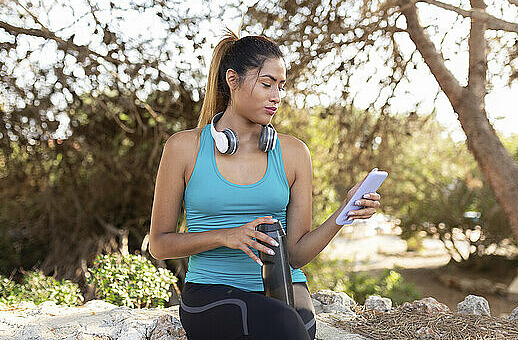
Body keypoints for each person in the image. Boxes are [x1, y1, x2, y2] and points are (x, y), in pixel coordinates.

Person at [148, 27, 381, 340]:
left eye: (281, 86)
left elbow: (296, 254)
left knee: (293, 323)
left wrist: (345, 212)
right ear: (233, 80)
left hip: (284, 285)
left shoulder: (294, 153)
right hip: (212, 291)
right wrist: (225, 236)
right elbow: (159, 244)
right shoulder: (183, 148)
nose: (277, 96)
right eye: (267, 84)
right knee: (282, 325)